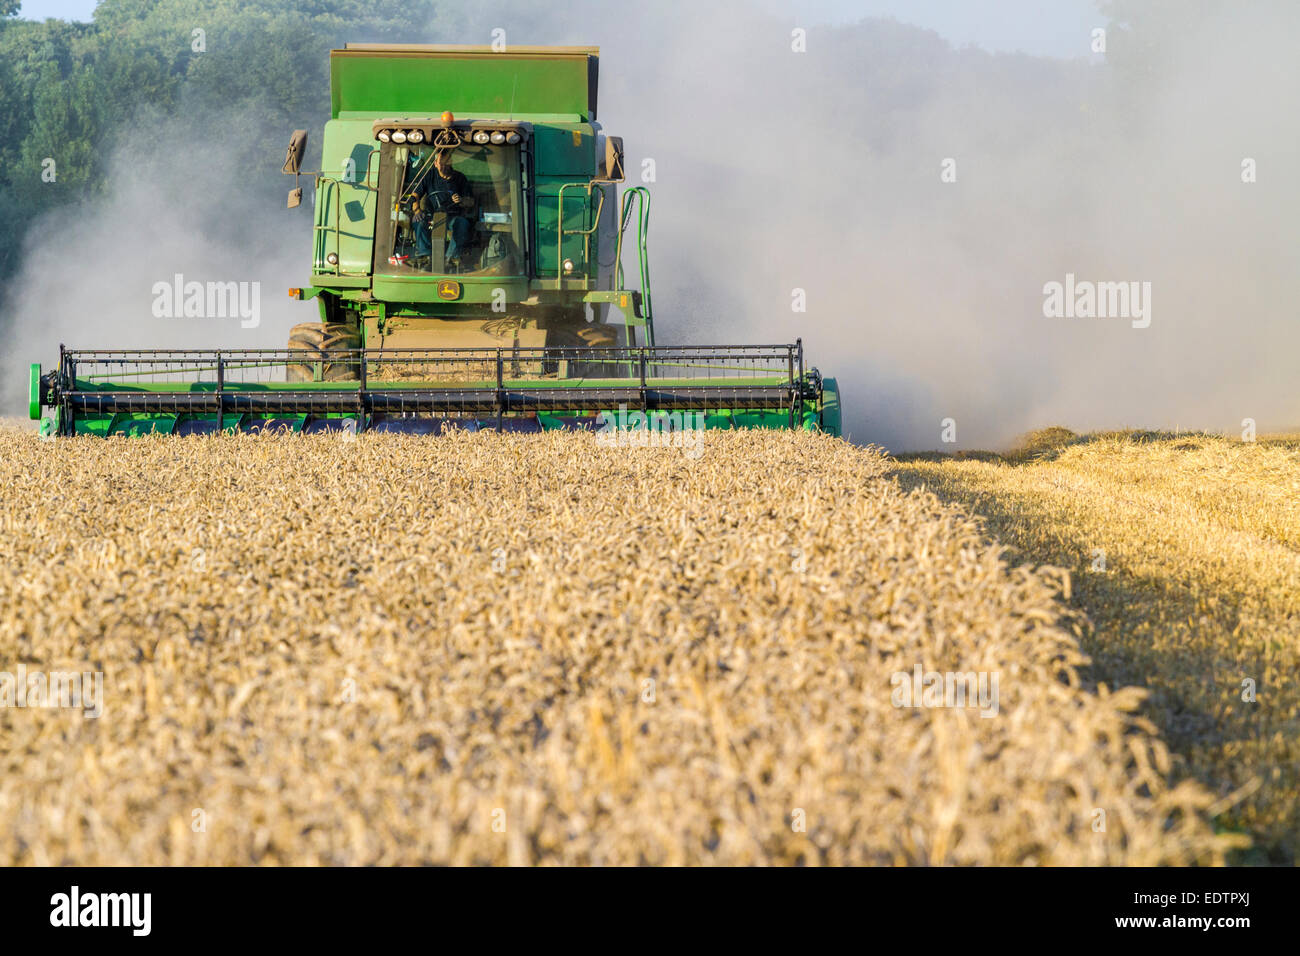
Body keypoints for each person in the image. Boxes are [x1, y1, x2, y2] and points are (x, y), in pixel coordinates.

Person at [407, 147, 476, 271]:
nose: (443, 167)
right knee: (418, 220)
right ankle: (425, 256)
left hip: (453, 216)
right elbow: (415, 195)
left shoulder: (460, 178)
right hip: (431, 216)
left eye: (446, 164)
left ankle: (451, 258)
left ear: (450, 163)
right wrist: (417, 210)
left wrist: (461, 200)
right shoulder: (429, 175)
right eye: (440, 164)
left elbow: (471, 201)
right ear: (435, 164)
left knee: (462, 223)